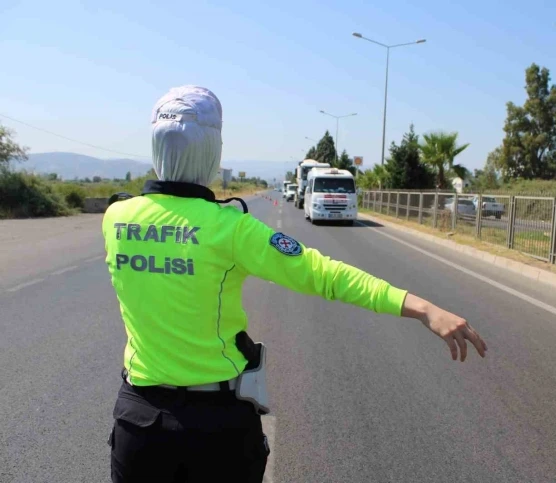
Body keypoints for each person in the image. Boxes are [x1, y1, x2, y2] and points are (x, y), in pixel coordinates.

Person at [103, 85, 487, 483]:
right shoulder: (229, 228)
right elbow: (326, 275)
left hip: (138, 421)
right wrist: (424, 308)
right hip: (215, 428)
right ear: (212, 151)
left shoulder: (116, 217)